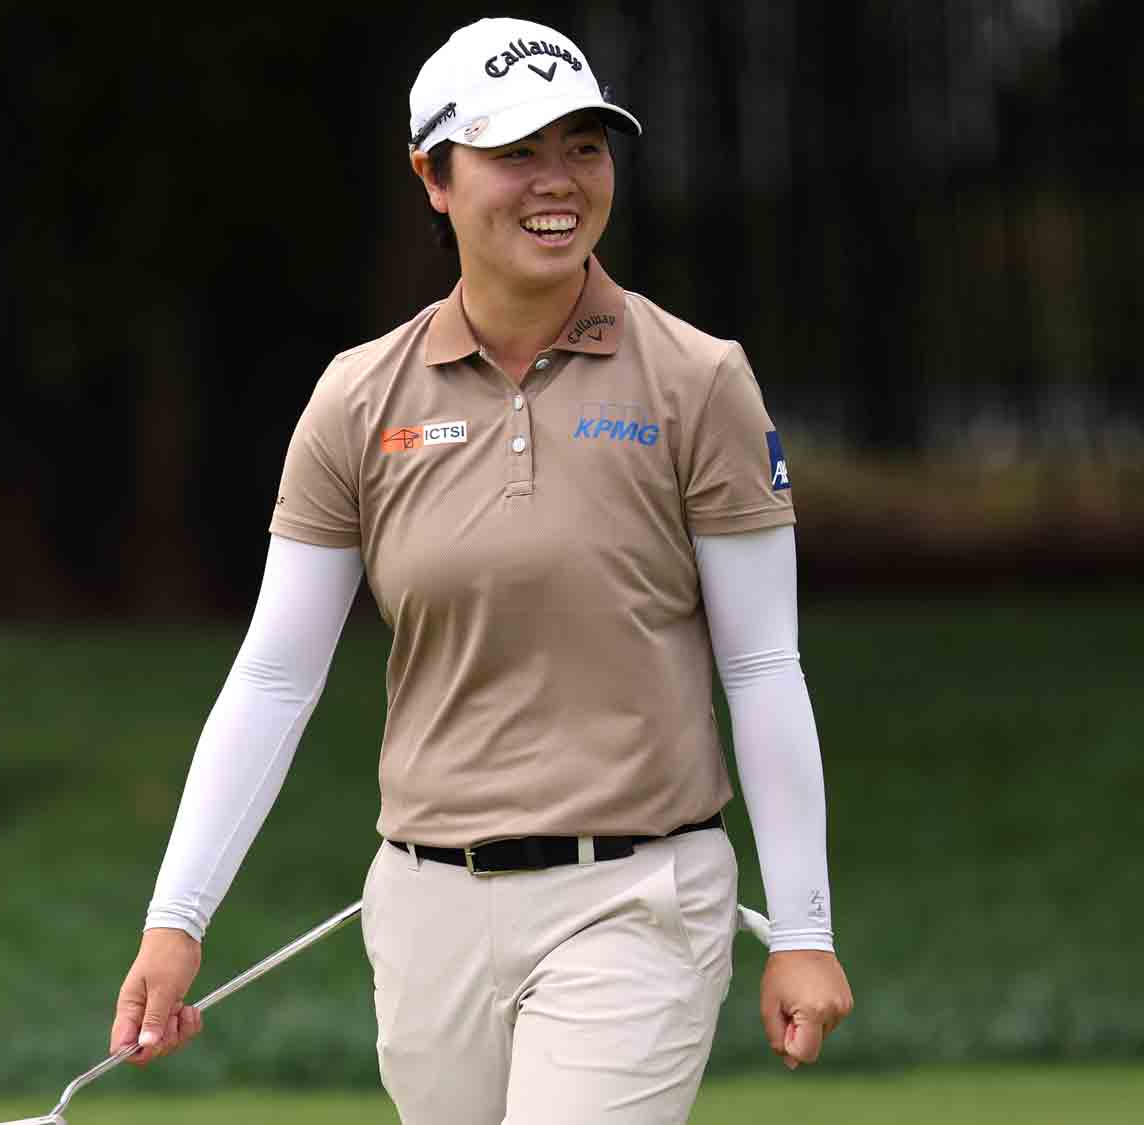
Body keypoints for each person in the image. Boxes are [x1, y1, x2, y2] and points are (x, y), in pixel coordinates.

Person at [108, 16, 852, 1123]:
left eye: (583, 146)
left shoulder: (698, 382)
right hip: (425, 911)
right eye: (515, 151)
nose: (558, 181)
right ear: (432, 176)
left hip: (639, 899)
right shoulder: (359, 400)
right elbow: (274, 676)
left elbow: (760, 665)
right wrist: (176, 920)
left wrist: (802, 931)